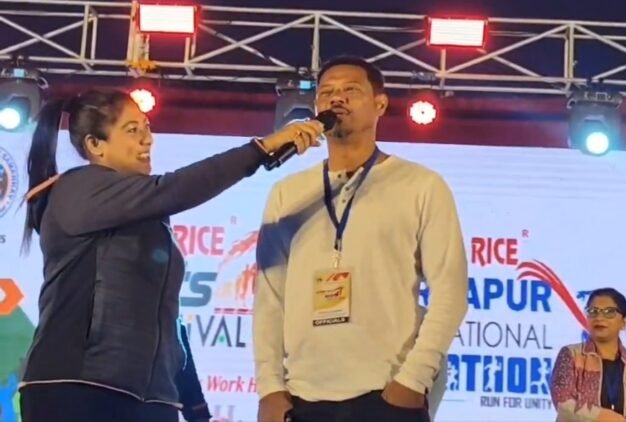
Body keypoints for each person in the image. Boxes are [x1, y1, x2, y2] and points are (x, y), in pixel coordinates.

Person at [17, 88, 324, 422]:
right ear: (95, 145)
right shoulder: (76, 189)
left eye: (147, 127)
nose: (147, 139)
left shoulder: (147, 214)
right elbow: (176, 187)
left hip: (151, 397)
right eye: (132, 130)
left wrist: (195, 407)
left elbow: (167, 322)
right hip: (78, 388)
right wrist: (261, 148)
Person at [253, 55, 468, 422]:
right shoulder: (287, 193)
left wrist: (412, 381)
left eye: (351, 90)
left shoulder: (420, 185)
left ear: (380, 104)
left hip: (387, 391)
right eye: (327, 93)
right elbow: (270, 297)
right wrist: (270, 388)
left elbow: (451, 291)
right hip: (303, 395)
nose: (337, 99)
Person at [551, 288, 626, 422]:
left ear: (624, 321)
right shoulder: (571, 355)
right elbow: (564, 405)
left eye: (609, 312)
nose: (599, 318)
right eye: (593, 312)